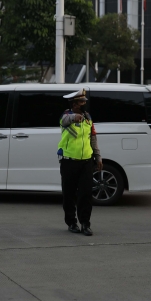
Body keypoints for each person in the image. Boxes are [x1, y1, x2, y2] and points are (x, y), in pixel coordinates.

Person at [57, 88, 103, 236]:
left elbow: (93, 138)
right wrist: (73, 118)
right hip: (69, 161)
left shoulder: (88, 117)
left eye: (84, 101)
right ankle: (71, 222)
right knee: (69, 194)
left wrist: (97, 156)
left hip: (86, 162)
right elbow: (64, 121)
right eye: (81, 102)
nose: (84, 104)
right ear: (74, 104)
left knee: (85, 194)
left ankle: (85, 224)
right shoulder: (66, 115)